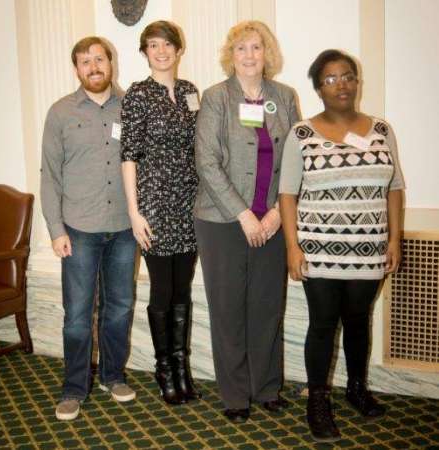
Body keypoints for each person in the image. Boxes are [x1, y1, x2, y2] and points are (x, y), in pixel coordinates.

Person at [279, 49, 405, 442]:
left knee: (358, 321)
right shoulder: (301, 134)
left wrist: (395, 240)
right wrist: (292, 248)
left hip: (370, 251)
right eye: (331, 78)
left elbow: (395, 187)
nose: (341, 84)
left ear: (357, 82)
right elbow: (286, 194)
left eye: (347, 76)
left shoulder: (382, 130)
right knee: (322, 325)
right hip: (319, 251)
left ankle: (356, 388)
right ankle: (318, 401)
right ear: (318, 88)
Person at [194, 21, 300, 423]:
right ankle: (236, 395)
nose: (250, 55)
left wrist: (275, 212)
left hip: (272, 221)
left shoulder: (284, 97)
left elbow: (295, 160)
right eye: (242, 48)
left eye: (256, 47)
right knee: (228, 309)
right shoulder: (217, 98)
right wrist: (243, 214)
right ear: (231, 55)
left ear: (267, 53)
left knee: (267, 306)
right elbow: (206, 161)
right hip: (222, 222)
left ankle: (267, 387)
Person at [41, 37, 137, 421]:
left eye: (100, 58)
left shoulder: (132, 106)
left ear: (110, 63)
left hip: (124, 229)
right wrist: (55, 229)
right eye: (85, 61)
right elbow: (50, 176)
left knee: (120, 308)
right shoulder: (60, 112)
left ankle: (112, 376)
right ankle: (73, 388)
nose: (94, 66)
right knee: (78, 314)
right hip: (78, 229)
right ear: (76, 68)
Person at [121, 21, 200, 405]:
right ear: (145, 52)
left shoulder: (190, 92)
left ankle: (182, 366)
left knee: (183, 290)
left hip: (189, 205)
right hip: (153, 205)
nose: (161, 51)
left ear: (178, 49)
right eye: (152, 45)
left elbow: (199, 148)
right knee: (162, 290)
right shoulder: (137, 95)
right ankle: (164, 369)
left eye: (167, 44)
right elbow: (128, 156)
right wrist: (134, 213)